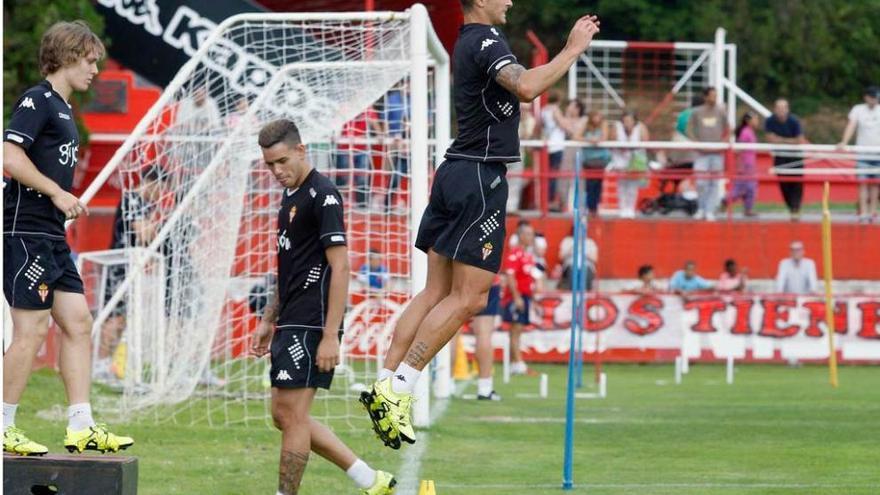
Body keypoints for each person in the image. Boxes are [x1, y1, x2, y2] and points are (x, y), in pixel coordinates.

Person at [360, 0, 600, 450]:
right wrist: (571, 51)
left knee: (435, 293)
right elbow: (527, 87)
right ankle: (400, 388)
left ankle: (384, 385)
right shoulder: (487, 41)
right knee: (470, 299)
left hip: (455, 171)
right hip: (479, 177)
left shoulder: (467, 41)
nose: (509, 1)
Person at [3, 20, 133, 455]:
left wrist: (63, 202)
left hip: (51, 235)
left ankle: (81, 426)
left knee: (78, 322)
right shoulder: (37, 100)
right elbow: (8, 156)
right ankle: (2, 424)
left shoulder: (62, 108)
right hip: (25, 232)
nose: (95, 69)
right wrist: (58, 192)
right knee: (32, 329)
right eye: (90, 59)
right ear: (66, 55)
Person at [249, 120, 396, 495]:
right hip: (292, 318)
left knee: (293, 416)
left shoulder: (323, 195)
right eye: (269, 165)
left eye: (281, 161)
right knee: (284, 415)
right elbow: (290, 268)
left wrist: (331, 335)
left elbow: (341, 266)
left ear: (301, 150)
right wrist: (269, 319)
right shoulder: (291, 196)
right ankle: (371, 480)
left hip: (313, 322)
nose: (276, 171)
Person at [94, 165, 165, 382]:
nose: (160, 194)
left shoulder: (144, 204)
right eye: (160, 188)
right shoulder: (133, 199)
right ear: (151, 183)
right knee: (115, 317)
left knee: (121, 319)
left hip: (128, 267)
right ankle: (100, 365)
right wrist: (160, 226)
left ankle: (106, 364)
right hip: (118, 267)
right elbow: (143, 234)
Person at [838, 86, 880, 223]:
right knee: (862, 182)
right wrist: (844, 142)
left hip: (878, 153)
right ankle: (863, 212)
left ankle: (873, 212)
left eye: (876, 97)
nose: (874, 100)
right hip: (862, 152)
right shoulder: (858, 109)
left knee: (875, 184)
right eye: (872, 97)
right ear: (866, 97)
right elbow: (851, 126)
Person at [688, 87, 729, 221]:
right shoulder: (696, 112)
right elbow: (689, 130)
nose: (714, 99)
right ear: (705, 97)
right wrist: (697, 144)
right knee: (701, 182)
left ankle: (710, 210)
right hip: (702, 153)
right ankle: (701, 208)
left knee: (714, 183)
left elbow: (728, 129)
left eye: (715, 96)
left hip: (717, 153)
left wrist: (723, 143)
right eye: (711, 96)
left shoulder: (721, 111)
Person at [502, 221, 537, 376]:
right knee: (515, 330)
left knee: (518, 329)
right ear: (520, 235)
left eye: (532, 234)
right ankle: (518, 363)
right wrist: (516, 297)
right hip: (517, 297)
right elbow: (510, 276)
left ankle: (514, 362)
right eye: (528, 234)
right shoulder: (514, 254)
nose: (531, 237)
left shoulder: (528, 255)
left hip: (525, 296)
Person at [764, 99, 806, 221]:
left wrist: (780, 140)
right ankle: (791, 208)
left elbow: (800, 140)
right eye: (779, 108)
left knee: (797, 183)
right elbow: (770, 139)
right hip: (780, 156)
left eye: (784, 108)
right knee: (783, 183)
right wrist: (789, 141)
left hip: (795, 156)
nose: (781, 111)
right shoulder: (770, 120)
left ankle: (795, 209)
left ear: (787, 109)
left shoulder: (794, 121)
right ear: (775, 109)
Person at [608, 111, 650, 219]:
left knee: (632, 186)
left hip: (635, 160)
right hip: (620, 159)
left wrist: (633, 147)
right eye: (625, 120)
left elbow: (646, 141)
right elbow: (611, 141)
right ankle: (622, 208)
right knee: (622, 185)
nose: (628, 123)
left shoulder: (640, 127)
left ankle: (630, 208)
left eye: (630, 120)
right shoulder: (616, 127)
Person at [469, 273, 503, 400]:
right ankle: (485, 387)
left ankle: (446, 383)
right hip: (485, 276)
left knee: (453, 332)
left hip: (457, 278)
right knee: (484, 333)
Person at [574, 109, 610, 216]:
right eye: (595, 116)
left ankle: (594, 207)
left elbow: (604, 137)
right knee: (589, 185)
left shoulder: (604, 124)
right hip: (588, 160)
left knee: (598, 184)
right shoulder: (586, 125)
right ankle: (590, 207)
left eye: (599, 116)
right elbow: (576, 136)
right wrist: (589, 140)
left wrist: (596, 140)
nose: (597, 119)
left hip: (600, 160)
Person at [728, 112, 759, 217]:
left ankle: (748, 209)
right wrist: (740, 164)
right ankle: (723, 201)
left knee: (750, 188)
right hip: (745, 165)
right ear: (748, 121)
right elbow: (739, 149)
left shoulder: (750, 132)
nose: (757, 122)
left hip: (750, 165)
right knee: (741, 189)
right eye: (755, 119)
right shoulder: (746, 132)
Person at [508, 101, 537, 211]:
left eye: (526, 109)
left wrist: (524, 122)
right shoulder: (509, 117)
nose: (524, 111)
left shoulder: (530, 121)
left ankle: (511, 208)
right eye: (522, 108)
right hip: (504, 152)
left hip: (518, 153)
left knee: (515, 180)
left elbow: (527, 137)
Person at [541, 90, 568, 211]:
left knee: (548, 174)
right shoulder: (555, 110)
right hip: (557, 145)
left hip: (547, 145)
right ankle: (551, 201)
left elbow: (539, 126)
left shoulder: (543, 110)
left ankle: (547, 200)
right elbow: (564, 125)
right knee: (554, 174)